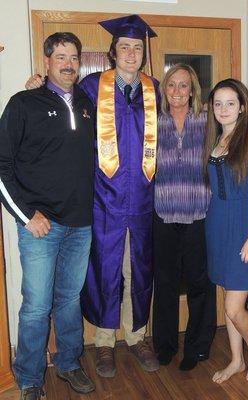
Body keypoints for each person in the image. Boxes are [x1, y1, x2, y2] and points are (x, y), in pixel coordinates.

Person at [25, 15, 160, 378]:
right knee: (106, 270)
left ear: (143, 54)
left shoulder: (154, 89)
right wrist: (37, 86)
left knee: (138, 269)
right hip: (103, 199)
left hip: (143, 199)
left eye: (137, 48)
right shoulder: (90, 86)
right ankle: (103, 343)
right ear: (114, 52)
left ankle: (136, 336)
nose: (131, 53)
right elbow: (59, 105)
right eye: (125, 47)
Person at [0, 33, 96, 399]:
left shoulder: (87, 105)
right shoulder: (24, 103)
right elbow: (2, 166)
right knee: (37, 306)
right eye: (60, 56)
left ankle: (69, 363)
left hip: (81, 223)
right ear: (47, 61)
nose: (68, 63)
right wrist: (27, 216)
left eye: (74, 56)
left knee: (69, 301)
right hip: (41, 227)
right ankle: (29, 378)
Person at [203, 78, 248, 383]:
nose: (224, 109)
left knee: (234, 306)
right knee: (227, 298)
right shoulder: (215, 142)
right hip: (217, 225)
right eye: (218, 103)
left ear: (242, 107)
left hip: (245, 227)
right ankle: (236, 360)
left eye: (230, 103)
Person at [152, 63, 216, 371]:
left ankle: (197, 347)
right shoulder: (153, 123)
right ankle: (164, 346)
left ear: (193, 91)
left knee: (198, 284)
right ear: (164, 89)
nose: (177, 91)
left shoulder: (206, 122)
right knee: (164, 284)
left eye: (184, 85)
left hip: (198, 216)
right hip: (163, 216)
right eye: (172, 85)